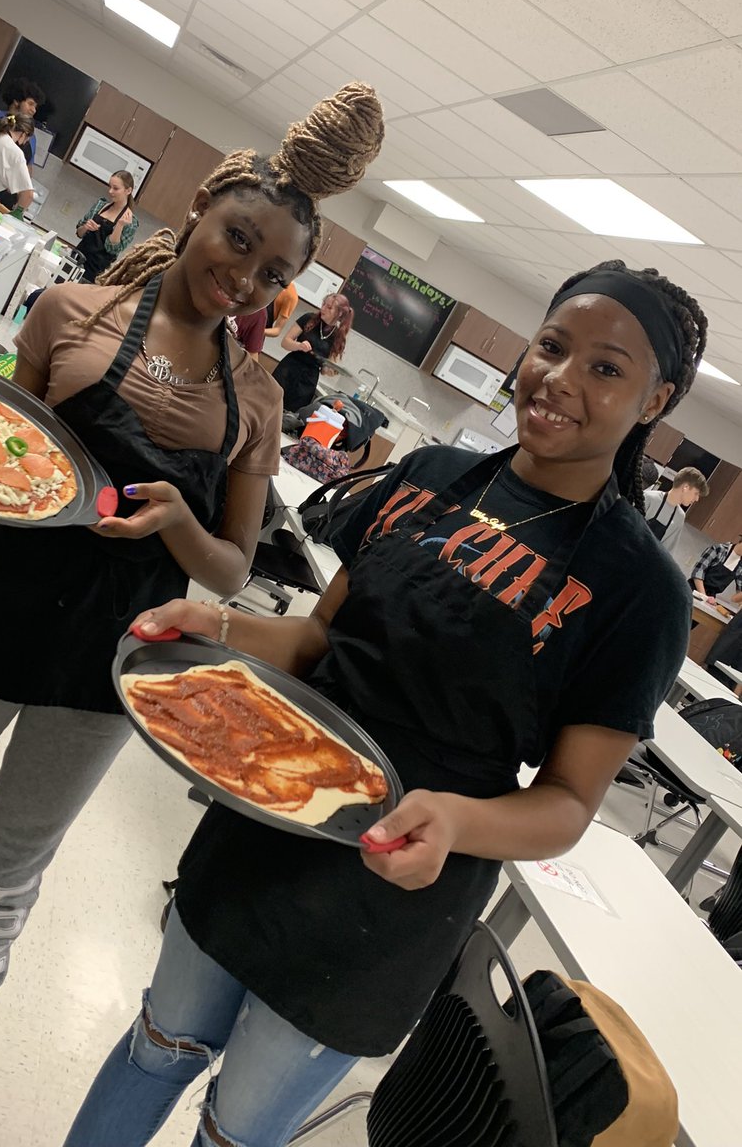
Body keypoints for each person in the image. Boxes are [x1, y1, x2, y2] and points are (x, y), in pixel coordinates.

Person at [0, 82, 384, 1147]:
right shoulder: (66, 314)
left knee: (5, 878)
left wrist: (181, 524)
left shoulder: (256, 399)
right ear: (197, 212)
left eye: (273, 273)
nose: (245, 277)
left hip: (112, 672)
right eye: (238, 241)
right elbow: (6, 451)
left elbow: (228, 573)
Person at [64, 259, 703, 1147]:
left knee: (236, 1129)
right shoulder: (434, 474)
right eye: (553, 346)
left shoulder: (640, 589)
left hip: (394, 891)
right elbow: (320, 640)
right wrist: (216, 623)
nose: (560, 380)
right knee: (157, 1045)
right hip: (271, 814)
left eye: (607, 368)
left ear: (655, 399)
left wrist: (453, 821)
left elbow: (565, 806)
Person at [272, 291, 352, 410]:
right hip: (288, 369)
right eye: (324, 304)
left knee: (289, 415)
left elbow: (325, 369)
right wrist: (299, 345)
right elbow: (285, 342)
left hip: (308, 380)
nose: (323, 308)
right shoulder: (308, 318)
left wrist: (332, 370)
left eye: (329, 307)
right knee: (270, 402)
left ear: (339, 313)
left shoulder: (338, 337)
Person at [75, 171, 140, 283]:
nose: (110, 191)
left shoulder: (131, 222)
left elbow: (113, 249)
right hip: (74, 259)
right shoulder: (100, 205)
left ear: (128, 190)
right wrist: (86, 227)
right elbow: (79, 233)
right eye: (110, 186)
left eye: (115, 188)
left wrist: (120, 225)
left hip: (91, 275)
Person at [0, 77, 46, 170]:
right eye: (30, 104)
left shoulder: (31, 137)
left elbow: (28, 168)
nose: (34, 110)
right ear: (16, 101)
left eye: (35, 107)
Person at [643, 466, 709, 558]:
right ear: (685, 487)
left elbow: (667, 553)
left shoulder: (679, 516)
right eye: (696, 493)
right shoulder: (650, 498)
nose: (697, 499)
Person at [689, 537, 742, 603]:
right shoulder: (718, 549)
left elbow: (739, 593)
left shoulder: (740, 566)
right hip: (692, 590)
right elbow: (698, 572)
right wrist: (704, 596)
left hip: (710, 597)